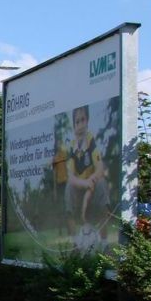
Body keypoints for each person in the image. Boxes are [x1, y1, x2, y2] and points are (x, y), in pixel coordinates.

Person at [65, 105, 110, 249]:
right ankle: (75, 244)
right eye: (77, 122)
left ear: (87, 121)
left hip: (94, 186)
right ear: (74, 125)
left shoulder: (91, 141)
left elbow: (100, 168)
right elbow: (71, 178)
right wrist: (85, 185)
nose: (80, 125)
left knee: (102, 184)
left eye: (83, 120)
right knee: (68, 189)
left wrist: (91, 185)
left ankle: (104, 243)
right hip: (80, 188)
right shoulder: (72, 146)